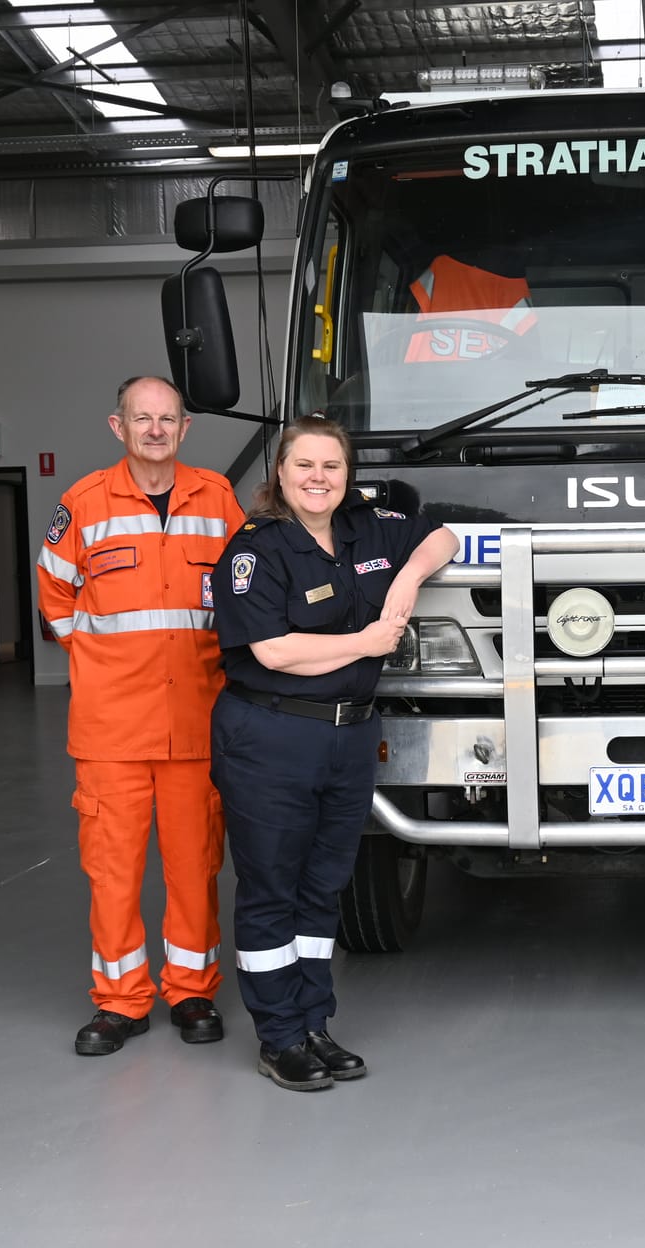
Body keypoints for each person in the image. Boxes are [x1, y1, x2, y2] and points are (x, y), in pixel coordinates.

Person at [210, 415, 460, 1091]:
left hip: (348, 737)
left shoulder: (367, 527)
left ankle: (314, 1021)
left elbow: (444, 536)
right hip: (271, 734)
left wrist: (405, 579)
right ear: (281, 474)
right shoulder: (254, 551)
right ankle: (279, 1036)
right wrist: (368, 641)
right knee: (272, 889)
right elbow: (273, 650)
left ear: (347, 474)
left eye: (331, 466)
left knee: (324, 887)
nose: (318, 479)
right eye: (304, 466)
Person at [36, 375, 247, 1056]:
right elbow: (55, 598)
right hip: (111, 731)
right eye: (141, 418)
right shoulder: (84, 503)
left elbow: (246, 591)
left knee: (195, 868)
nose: (154, 429)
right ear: (116, 426)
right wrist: (106, 666)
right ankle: (121, 1002)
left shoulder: (217, 499)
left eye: (167, 419)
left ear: (185, 429)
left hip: (196, 721)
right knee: (114, 871)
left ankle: (191, 992)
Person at [402, 253, 536, 362]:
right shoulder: (440, 270)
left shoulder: (441, 270)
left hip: (495, 394)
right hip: (424, 391)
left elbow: (526, 363)